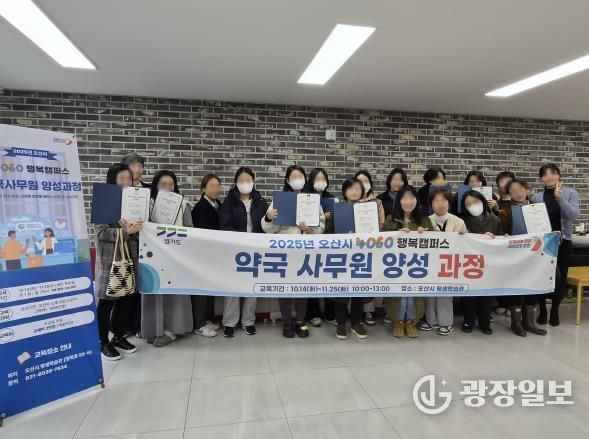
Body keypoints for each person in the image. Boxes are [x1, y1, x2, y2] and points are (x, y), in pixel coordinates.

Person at [262, 165, 325, 338]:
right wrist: (269, 218)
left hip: (305, 251)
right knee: (285, 288)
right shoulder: (280, 200)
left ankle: (300, 321)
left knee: (302, 287)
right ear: (287, 180)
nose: (298, 180)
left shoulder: (313, 200)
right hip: (285, 251)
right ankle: (287, 322)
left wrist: (310, 229)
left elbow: (321, 226)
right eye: (294, 177)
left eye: (301, 176)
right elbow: (268, 228)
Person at [95, 163, 142, 361]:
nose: (126, 182)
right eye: (121, 178)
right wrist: (125, 231)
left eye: (128, 178)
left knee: (126, 298)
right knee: (106, 301)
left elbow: (136, 232)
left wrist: (138, 227)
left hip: (129, 257)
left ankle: (118, 336)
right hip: (110, 259)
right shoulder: (105, 199)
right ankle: (102, 341)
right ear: (112, 180)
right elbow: (101, 233)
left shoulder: (134, 201)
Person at [141, 170, 194, 347]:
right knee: (154, 291)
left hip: (175, 256)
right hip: (152, 256)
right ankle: (154, 329)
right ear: (156, 186)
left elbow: (190, 230)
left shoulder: (184, 205)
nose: (168, 187)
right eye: (163, 184)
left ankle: (173, 330)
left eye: (171, 184)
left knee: (174, 294)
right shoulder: (147, 204)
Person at [220, 167, 269, 337]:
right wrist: (239, 240)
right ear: (236, 182)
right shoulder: (229, 202)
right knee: (232, 287)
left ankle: (248, 321)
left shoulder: (261, 202)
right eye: (241, 180)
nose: (245, 183)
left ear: (253, 182)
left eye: (248, 180)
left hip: (255, 250)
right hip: (235, 250)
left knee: (251, 286)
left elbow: (266, 226)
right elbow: (225, 224)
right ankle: (229, 322)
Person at [498, 178, 547, 337]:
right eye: (513, 191)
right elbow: (501, 231)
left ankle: (530, 323)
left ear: (527, 189)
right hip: (516, 255)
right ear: (508, 194)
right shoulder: (505, 210)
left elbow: (546, 228)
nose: (517, 193)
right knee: (517, 287)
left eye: (520, 189)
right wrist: (504, 235)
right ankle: (516, 323)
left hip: (536, 254)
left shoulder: (537, 207)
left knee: (533, 286)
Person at [533, 163, 580, 326]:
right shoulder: (537, 197)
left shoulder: (570, 193)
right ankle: (542, 310)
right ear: (541, 178)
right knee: (540, 276)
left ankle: (554, 310)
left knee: (560, 278)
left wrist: (560, 198)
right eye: (545, 174)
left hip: (563, 242)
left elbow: (573, 215)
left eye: (553, 173)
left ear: (558, 175)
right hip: (543, 243)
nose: (549, 177)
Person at [383, 186, 430, 338]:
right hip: (396, 264)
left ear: (417, 200)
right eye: (404, 198)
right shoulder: (391, 218)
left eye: (412, 198)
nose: (408, 201)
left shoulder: (424, 218)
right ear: (399, 201)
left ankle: (411, 321)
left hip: (417, 264)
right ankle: (398, 321)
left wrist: (425, 234)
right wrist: (396, 234)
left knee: (412, 294)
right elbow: (382, 239)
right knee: (401, 294)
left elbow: (436, 240)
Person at [418, 188, 467, 336]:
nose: (440, 204)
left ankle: (446, 323)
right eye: (436, 200)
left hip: (449, 263)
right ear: (431, 204)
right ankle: (430, 321)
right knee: (429, 292)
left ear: (449, 203)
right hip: (430, 263)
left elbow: (466, 245)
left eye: (444, 200)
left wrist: (465, 236)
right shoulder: (426, 221)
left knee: (445, 293)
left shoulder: (458, 221)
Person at [461, 190, 503, 335]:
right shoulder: (463, 222)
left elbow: (501, 241)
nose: (473, 206)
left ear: (483, 201)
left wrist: (496, 238)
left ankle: (485, 323)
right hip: (470, 263)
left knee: (487, 294)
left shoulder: (495, 220)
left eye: (475, 202)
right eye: (468, 204)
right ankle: (468, 321)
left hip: (488, 262)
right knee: (470, 294)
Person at [333, 178, 370, 340]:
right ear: (344, 191)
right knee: (341, 291)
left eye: (358, 188)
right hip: (341, 256)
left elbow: (375, 232)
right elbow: (329, 233)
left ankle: (356, 322)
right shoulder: (338, 210)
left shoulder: (368, 210)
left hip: (361, 256)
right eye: (351, 188)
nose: (354, 191)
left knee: (358, 291)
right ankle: (341, 323)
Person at [190, 174, 223, 337]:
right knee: (201, 289)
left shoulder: (219, 205)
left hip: (215, 255)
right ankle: (199, 324)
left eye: (218, 186)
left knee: (211, 288)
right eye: (212, 186)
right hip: (202, 255)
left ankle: (208, 318)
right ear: (203, 188)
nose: (216, 189)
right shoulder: (200, 208)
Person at [304, 167, 336, 327]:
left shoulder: (331, 199)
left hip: (328, 243)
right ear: (311, 181)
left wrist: (330, 217)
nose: (321, 182)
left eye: (323, 179)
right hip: (310, 242)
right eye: (317, 179)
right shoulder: (305, 198)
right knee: (311, 277)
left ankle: (330, 313)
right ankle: (313, 313)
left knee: (328, 277)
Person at [354, 170, 385, 326]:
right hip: (353, 247)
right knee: (354, 279)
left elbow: (382, 224)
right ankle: (354, 312)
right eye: (359, 181)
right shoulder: (351, 201)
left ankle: (368, 311)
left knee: (368, 278)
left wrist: (375, 230)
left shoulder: (377, 202)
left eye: (365, 181)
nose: (363, 184)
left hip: (371, 246)